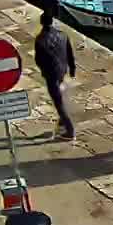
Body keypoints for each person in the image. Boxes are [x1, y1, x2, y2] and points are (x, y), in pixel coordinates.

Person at [34, 8, 76, 140]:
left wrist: (44, 71)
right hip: (62, 70)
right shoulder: (63, 35)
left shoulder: (40, 40)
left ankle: (70, 131)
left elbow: (38, 60)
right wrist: (72, 69)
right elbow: (70, 53)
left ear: (41, 22)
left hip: (51, 74)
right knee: (60, 97)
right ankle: (62, 123)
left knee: (58, 103)